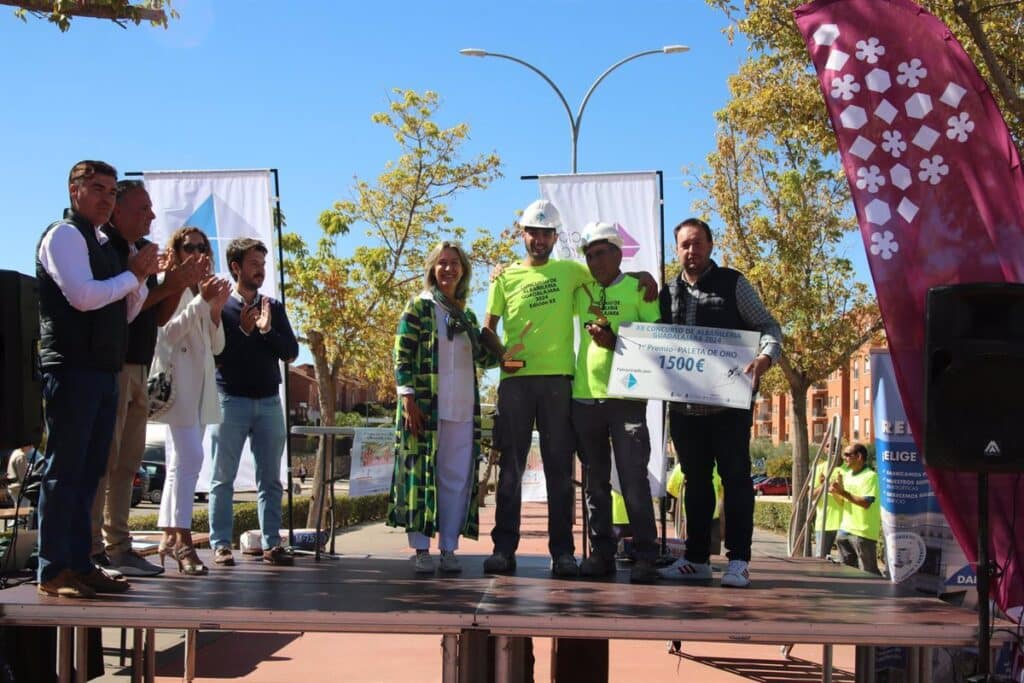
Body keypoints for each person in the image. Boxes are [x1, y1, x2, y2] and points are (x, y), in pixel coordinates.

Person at [480, 200, 657, 577]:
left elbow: (611, 275)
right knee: (510, 471)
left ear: (555, 237)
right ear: (522, 233)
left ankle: (562, 553)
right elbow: (487, 329)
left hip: (560, 383)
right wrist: (501, 358)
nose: (539, 239)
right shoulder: (504, 277)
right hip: (516, 384)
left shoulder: (570, 271)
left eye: (546, 233)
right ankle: (503, 549)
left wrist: (644, 274)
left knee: (560, 472)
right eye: (533, 232)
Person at [35, 160, 159, 598]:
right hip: (71, 367)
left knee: (91, 472)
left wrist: (138, 276)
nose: (107, 198)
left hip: (105, 369)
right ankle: (53, 570)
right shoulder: (64, 235)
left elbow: (124, 310)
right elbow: (84, 297)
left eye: (111, 191)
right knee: (65, 470)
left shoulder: (107, 243)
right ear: (75, 192)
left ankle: (80, 562)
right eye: (98, 189)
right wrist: (132, 275)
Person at [658, 217, 782, 588]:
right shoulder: (666, 293)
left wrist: (765, 358)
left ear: (711, 246)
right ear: (676, 250)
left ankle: (739, 561)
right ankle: (695, 559)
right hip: (684, 410)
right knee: (695, 483)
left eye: (697, 244)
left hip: (729, 408)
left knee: (736, 481)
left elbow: (769, 327)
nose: (691, 251)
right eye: (684, 245)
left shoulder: (733, 283)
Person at [89, 180, 204, 578]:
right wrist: (167, 283)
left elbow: (155, 315)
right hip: (112, 366)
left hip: (141, 364)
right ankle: (93, 549)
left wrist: (175, 283)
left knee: (128, 463)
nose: (152, 217)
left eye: (153, 210)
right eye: (143, 209)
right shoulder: (104, 250)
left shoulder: (142, 253)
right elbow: (121, 306)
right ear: (117, 211)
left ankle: (119, 545)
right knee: (104, 461)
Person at [387, 241, 498, 574]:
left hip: (463, 412)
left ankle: (449, 548)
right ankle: (421, 549)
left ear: (463, 269)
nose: (448, 269)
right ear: (433, 269)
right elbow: (401, 355)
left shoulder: (467, 314)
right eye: (442, 263)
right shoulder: (418, 307)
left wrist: (502, 347)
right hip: (425, 410)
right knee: (421, 477)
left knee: (457, 480)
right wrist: (408, 399)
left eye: (454, 263)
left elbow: (484, 358)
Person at [570, 222, 662, 584]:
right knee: (595, 483)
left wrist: (616, 340)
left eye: (600, 253)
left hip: (626, 399)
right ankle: (601, 554)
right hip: (585, 398)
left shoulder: (640, 289)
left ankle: (645, 557)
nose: (594, 261)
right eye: (589, 255)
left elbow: (655, 342)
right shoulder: (582, 291)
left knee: (633, 480)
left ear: (618, 253)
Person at [208, 238, 299, 567]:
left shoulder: (272, 307)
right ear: (236, 267)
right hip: (230, 401)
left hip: (269, 404)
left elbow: (290, 352)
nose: (260, 270)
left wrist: (265, 331)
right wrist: (244, 333)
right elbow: (215, 357)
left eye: (263, 264)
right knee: (222, 479)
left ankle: (273, 543)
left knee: (271, 480)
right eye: (253, 264)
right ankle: (221, 545)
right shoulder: (220, 306)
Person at [150, 227, 230, 575]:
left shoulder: (203, 290)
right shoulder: (170, 285)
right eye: (189, 247)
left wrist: (214, 310)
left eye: (203, 246)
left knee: (180, 465)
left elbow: (217, 347)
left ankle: (169, 536)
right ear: (177, 250)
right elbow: (165, 334)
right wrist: (199, 303)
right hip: (176, 386)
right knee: (192, 458)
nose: (198, 252)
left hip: (199, 389)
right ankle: (182, 540)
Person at [831, 443, 882, 575]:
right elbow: (842, 502)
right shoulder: (847, 475)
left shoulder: (870, 476)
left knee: (868, 572)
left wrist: (842, 493)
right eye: (844, 455)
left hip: (862, 532)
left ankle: (875, 594)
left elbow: (866, 503)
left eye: (848, 455)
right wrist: (835, 492)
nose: (844, 458)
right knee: (846, 572)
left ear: (859, 456)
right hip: (844, 530)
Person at [813, 453, 845, 559]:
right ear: (825, 449)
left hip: (846, 525)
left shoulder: (848, 469)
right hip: (824, 523)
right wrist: (824, 484)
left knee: (846, 561)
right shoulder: (819, 469)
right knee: (820, 560)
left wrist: (836, 491)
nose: (832, 448)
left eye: (836, 444)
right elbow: (810, 496)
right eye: (828, 445)